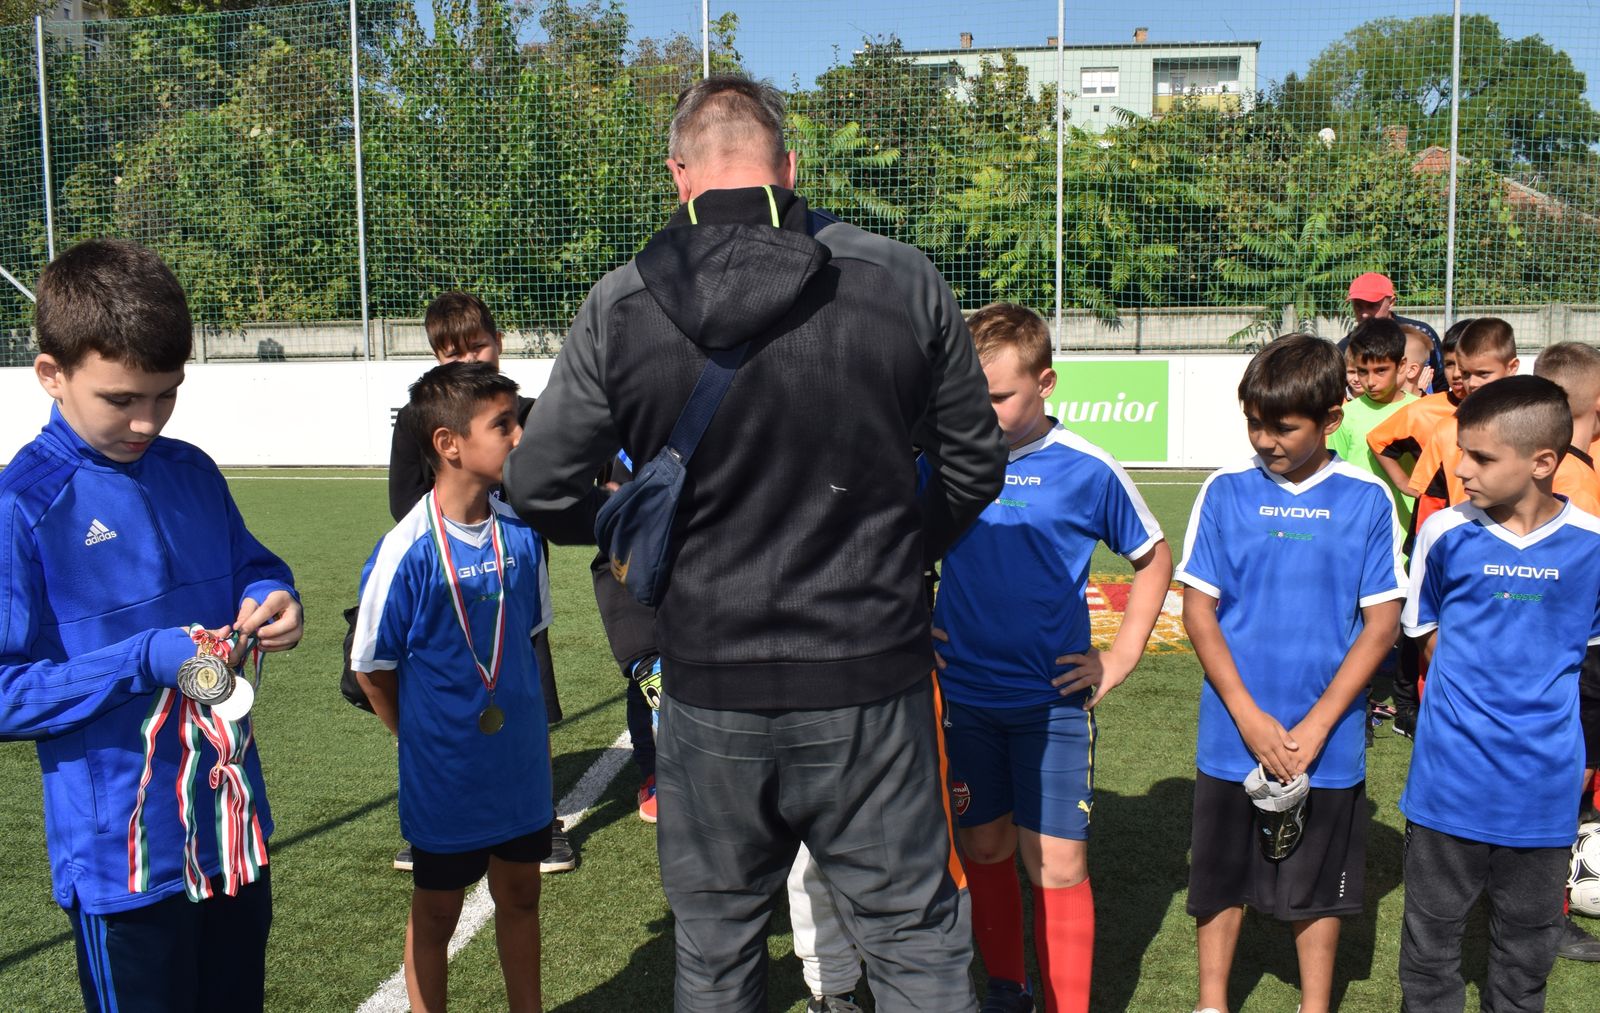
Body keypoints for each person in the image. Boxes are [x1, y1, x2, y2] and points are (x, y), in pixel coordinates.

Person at [502, 75, 1005, 1011]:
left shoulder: (622, 299)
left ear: (678, 175)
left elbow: (537, 486)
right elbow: (975, 467)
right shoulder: (899, 277)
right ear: (790, 167)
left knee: (717, 950)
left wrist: (634, 541)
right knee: (912, 941)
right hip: (869, 677)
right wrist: (901, 551)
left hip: (709, 682)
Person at [0, 238, 303, 1011]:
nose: (146, 421)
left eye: (166, 395)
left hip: (230, 831)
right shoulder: (22, 508)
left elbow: (255, 566)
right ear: (51, 374)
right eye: (121, 399)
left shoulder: (190, 469)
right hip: (124, 862)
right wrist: (140, 659)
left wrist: (275, 596)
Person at [929, 303, 1173, 1013]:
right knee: (984, 846)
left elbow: (1153, 558)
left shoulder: (1086, 468)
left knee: (1058, 863)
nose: (981, 411)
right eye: (969, 395)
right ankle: (1008, 990)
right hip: (966, 695)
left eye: (998, 396)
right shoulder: (941, 458)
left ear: (1045, 383)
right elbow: (887, 541)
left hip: (1051, 701)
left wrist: (1120, 656)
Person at [1176, 334, 1405, 1013]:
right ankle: (1211, 1001)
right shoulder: (1225, 489)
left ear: (1331, 418)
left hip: (1326, 740)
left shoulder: (1366, 498)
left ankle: (1315, 1004)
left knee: (1319, 885)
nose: (1265, 439)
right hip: (1233, 732)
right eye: (1254, 422)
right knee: (1219, 878)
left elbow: (1382, 625)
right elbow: (1198, 610)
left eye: (1283, 426)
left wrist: (1318, 724)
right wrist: (1249, 716)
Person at [351, 362, 553, 1013]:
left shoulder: (522, 536)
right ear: (449, 444)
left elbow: (528, 634)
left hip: (519, 763)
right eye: (503, 424)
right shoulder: (404, 550)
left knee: (521, 894)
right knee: (438, 908)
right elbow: (371, 666)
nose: (519, 436)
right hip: (446, 773)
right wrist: (414, 736)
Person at [1398, 375, 1600, 1011]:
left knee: (1527, 945)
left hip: (1543, 784)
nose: (1460, 469)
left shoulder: (1592, 547)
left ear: (1542, 462)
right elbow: (1426, 637)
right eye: (1462, 451)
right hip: (1448, 778)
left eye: (1481, 457)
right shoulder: (1443, 533)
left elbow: (1593, 664)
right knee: (1430, 943)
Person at [386, 291, 572, 874]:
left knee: (527, 695)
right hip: (448, 584)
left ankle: (542, 818)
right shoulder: (419, 419)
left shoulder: (523, 413)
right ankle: (437, 816)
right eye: (452, 352)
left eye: (477, 346)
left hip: (512, 577)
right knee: (444, 700)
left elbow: (553, 491)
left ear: (499, 342)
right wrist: (459, 526)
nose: (467, 359)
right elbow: (403, 501)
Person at [1363, 319, 1474, 739]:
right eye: (1454, 365)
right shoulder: (1429, 412)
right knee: (1421, 615)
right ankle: (1408, 705)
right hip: (1435, 527)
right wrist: (1404, 482)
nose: (1460, 375)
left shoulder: (1509, 409)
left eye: (1472, 368)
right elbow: (1379, 440)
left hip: (1489, 533)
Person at [1529, 343, 1600, 963]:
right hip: (1580, 655)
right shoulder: (1575, 481)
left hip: (1565, 651)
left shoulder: (1563, 469)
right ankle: (1544, 912)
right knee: (1564, 778)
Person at [1408, 318, 1521, 530]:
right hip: (1463, 538)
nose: (1473, 383)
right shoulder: (1446, 430)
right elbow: (1431, 500)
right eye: (1466, 374)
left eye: (1483, 374)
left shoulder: (1534, 426)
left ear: (1512, 367)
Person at [1329, 317, 1418, 529]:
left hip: (1408, 528)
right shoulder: (1345, 416)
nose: (1370, 381)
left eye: (1380, 371)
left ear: (1401, 365)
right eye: (1362, 371)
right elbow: (1333, 475)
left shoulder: (1420, 411)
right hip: (1357, 526)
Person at [1344, 271, 1444, 393]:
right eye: (1358, 306)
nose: (1364, 314)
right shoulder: (1348, 345)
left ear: (1391, 302)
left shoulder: (1420, 334)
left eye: (1371, 306)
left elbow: (1441, 379)